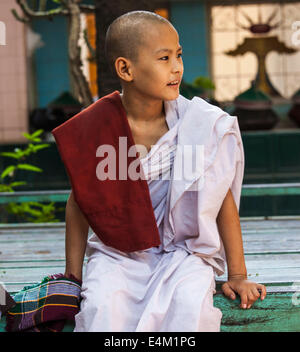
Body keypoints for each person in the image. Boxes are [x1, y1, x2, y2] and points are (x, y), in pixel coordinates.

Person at [55, 10, 267, 332]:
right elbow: (80, 202)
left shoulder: (197, 123)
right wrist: (73, 278)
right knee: (101, 308)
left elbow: (219, 197)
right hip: (118, 252)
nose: (177, 67)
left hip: (183, 252)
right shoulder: (98, 126)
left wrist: (237, 274)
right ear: (126, 69)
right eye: (164, 58)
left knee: (189, 306)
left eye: (178, 55)